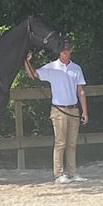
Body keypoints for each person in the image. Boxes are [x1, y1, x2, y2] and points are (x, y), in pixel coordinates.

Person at [24, 39, 88, 183]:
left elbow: (81, 91)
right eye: (63, 50)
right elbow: (33, 75)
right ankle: (59, 174)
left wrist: (84, 111)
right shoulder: (52, 68)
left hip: (73, 109)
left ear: (71, 50)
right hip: (59, 110)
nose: (66, 52)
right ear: (59, 51)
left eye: (68, 50)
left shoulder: (76, 68)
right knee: (60, 143)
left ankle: (72, 172)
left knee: (72, 143)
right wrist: (26, 62)